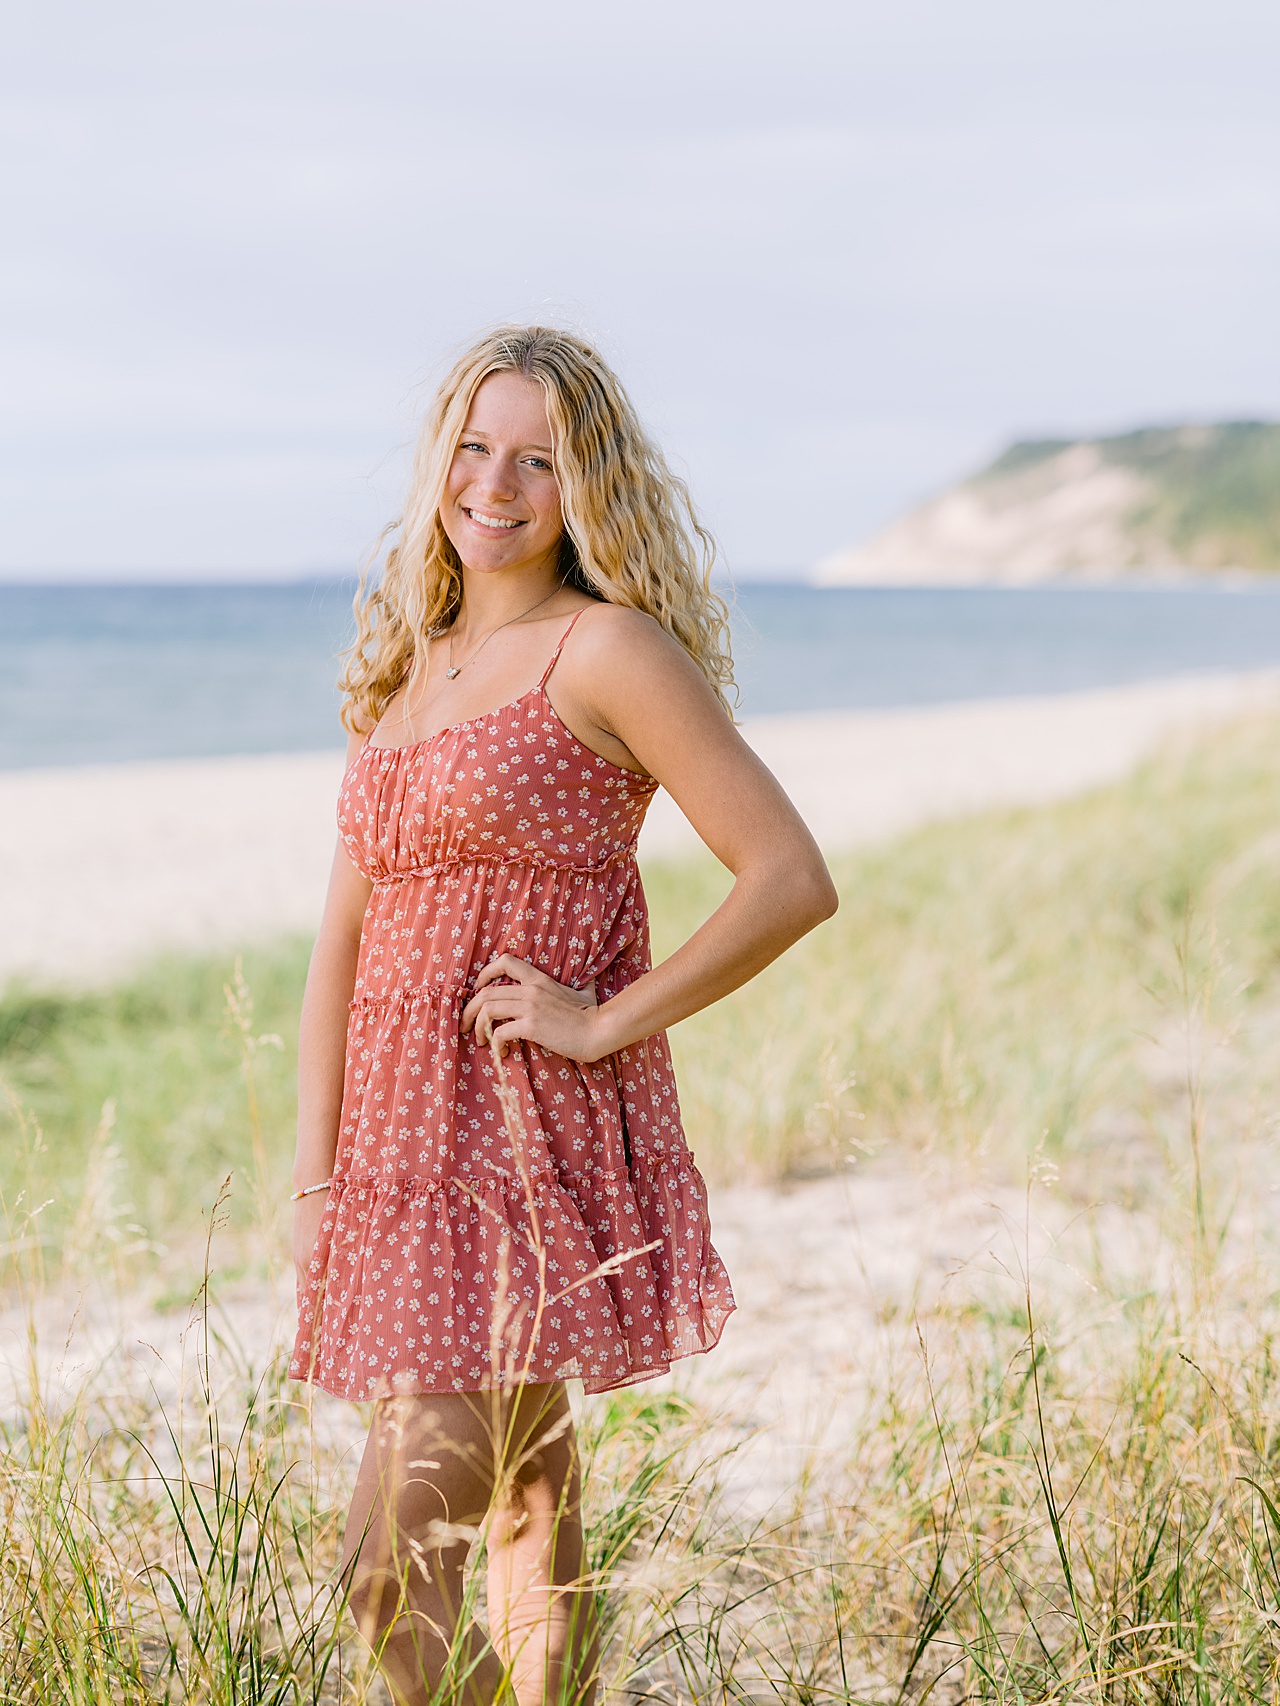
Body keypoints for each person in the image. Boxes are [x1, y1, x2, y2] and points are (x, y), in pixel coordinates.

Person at [289, 325, 837, 1705]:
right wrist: (317, 1177)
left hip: (529, 1152)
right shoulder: (407, 667)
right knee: (528, 1502)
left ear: (584, 484)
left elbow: (788, 877)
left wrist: (605, 1022)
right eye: (475, 447)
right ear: (439, 465)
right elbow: (339, 951)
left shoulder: (607, 650)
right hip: (406, 1169)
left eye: (538, 457)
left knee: (384, 1564)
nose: (497, 481)